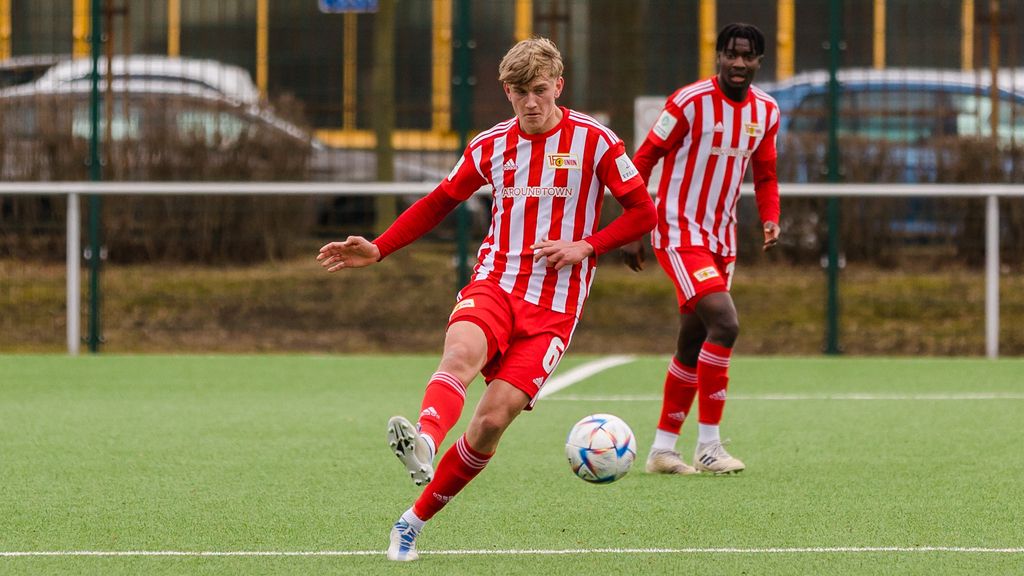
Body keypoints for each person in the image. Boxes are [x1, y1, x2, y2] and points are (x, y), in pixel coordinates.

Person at [317, 37, 656, 561]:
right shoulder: (491, 145)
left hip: (555, 308)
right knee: (459, 354)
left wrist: (587, 245)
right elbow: (439, 201)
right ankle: (425, 440)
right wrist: (380, 247)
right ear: (506, 92)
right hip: (495, 283)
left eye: (539, 90)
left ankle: (410, 523)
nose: (531, 103)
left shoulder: (595, 142)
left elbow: (643, 213)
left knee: (492, 422)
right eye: (520, 92)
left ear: (559, 85)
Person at [624, 23, 781, 476]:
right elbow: (644, 158)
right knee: (725, 323)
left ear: (759, 62)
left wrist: (770, 216)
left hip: (721, 239)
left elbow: (766, 174)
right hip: (677, 230)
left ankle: (662, 450)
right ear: (718, 56)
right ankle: (709, 446)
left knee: (693, 342)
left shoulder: (766, 111)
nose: (738, 63)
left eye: (747, 56)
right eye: (731, 54)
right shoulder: (689, 102)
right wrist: (634, 225)